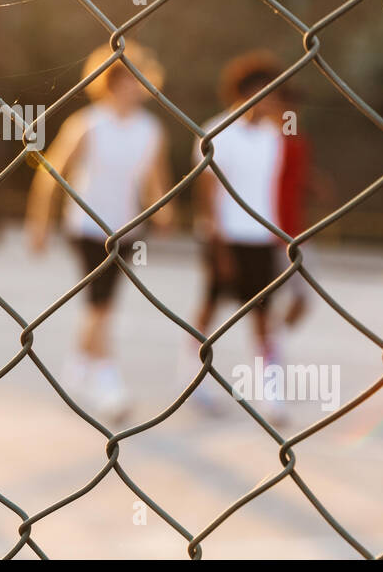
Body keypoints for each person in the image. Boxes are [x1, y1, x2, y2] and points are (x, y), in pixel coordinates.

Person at [26, 42, 174, 424]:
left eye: (137, 79)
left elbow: (155, 180)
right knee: (101, 303)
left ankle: (79, 366)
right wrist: (38, 224)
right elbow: (50, 174)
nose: (132, 87)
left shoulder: (150, 129)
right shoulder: (87, 123)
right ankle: (107, 382)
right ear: (108, 84)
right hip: (87, 226)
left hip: (127, 228)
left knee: (102, 304)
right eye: (123, 80)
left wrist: (165, 211)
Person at [190, 51, 308, 418]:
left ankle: (269, 393)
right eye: (264, 92)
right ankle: (195, 379)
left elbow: (278, 189)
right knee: (210, 313)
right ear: (243, 93)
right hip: (225, 238)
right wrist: (218, 245)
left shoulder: (274, 138)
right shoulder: (216, 133)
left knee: (262, 316)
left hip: (261, 239)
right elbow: (207, 196)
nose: (271, 100)